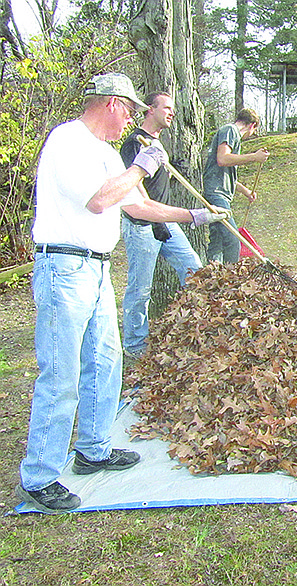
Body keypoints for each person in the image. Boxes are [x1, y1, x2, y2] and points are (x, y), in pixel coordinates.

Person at [16, 73, 228, 513]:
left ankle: (93, 448)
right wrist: (140, 167)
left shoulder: (109, 153)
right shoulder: (67, 141)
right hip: (63, 267)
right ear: (112, 103)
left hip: (96, 269)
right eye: (129, 109)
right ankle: (39, 477)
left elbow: (137, 205)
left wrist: (193, 216)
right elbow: (98, 200)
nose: (131, 118)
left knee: (107, 360)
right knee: (61, 373)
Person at [119, 92, 202, 359]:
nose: (171, 112)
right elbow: (138, 192)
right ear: (149, 109)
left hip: (165, 224)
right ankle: (135, 348)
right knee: (140, 289)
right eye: (165, 107)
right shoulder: (135, 143)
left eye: (172, 108)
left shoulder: (157, 144)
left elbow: (158, 183)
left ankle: (196, 329)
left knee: (196, 272)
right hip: (142, 225)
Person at [203, 108, 270, 264]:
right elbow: (223, 159)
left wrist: (246, 191)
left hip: (220, 193)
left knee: (218, 242)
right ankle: (230, 281)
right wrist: (254, 157)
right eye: (253, 131)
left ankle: (212, 279)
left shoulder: (232, 136)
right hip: (216, 194)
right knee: (233, 240)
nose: (250, 136)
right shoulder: (230, 130)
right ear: (252, 125)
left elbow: (226, 172)